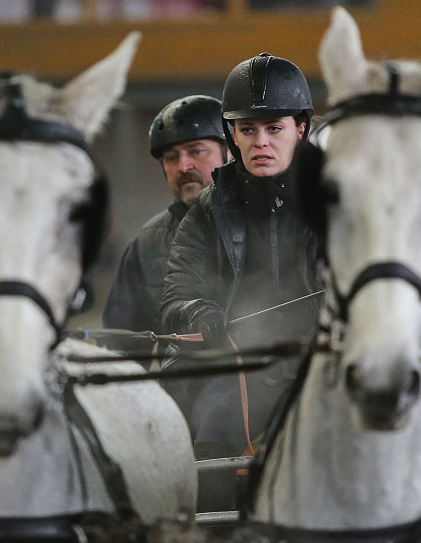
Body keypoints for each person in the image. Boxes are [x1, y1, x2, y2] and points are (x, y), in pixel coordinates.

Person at [160, 53, 320, 459]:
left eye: (274, 128)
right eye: (247, 129)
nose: (260, 141)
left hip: (327, 362)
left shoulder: (341, 201)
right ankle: (215, 523)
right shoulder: (207, 210)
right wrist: (199, 312)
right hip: (240, 370)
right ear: (232, 134)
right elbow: (177, 294)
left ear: (300, 128)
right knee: (214, 417)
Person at [103, 95, 228, 332]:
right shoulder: (147, 242)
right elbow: (121, 340)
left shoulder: (266, 219)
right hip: (181, 370)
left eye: (196, 151)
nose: (183, 166)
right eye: (171, 158)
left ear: (230, 152)